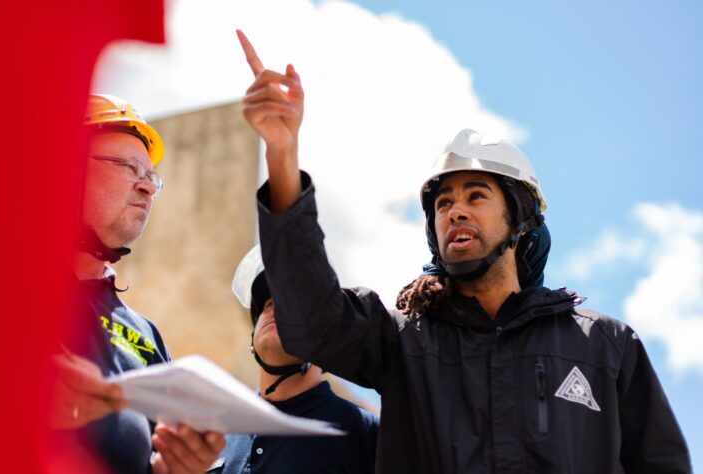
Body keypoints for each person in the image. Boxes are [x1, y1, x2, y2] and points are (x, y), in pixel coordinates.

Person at [236, 31, 692, 473]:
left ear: (521, 218)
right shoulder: (400, 341)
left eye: (476, 196)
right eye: (443, 203)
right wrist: (282, 153)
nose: (455, 212)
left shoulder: (606, 347)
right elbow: (310, 314)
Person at [50, 94, 225, 474]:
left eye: (150, 176)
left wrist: (175, 468)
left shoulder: (144, 334)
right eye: (128, 167)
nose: (146, 188)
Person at [211, 246, 378, 473]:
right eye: (268, 304)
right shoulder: (218, 433)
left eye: (291, 303)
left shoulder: (364, 433)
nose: (275, 309)